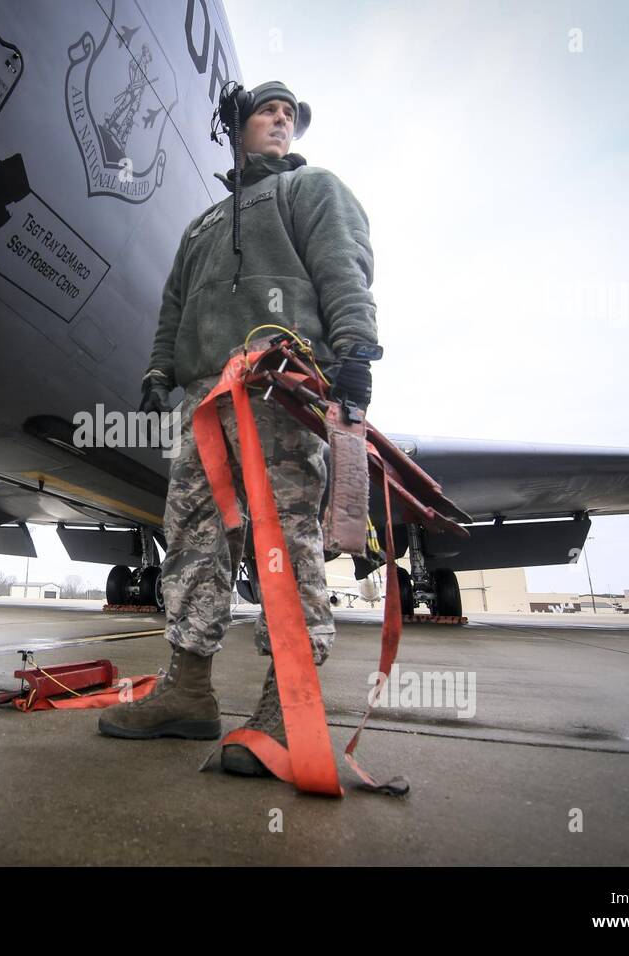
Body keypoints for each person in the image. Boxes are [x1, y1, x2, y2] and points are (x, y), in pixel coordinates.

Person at [97, 81, 382, 777]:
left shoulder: (313, 190)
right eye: (268, 111)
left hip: (278, 389)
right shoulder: (200, 226)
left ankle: (288, 701)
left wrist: (355, 350)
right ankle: (188, 691)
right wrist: (155, 377)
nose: (282, 120)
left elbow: (345, 268)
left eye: (290, 114)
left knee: (283, 538)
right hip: (203, 404)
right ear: (237, 127)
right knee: (193, 539)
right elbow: (173, 311)